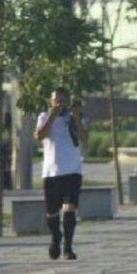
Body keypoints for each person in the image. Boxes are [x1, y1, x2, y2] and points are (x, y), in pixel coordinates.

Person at [34, 88, 88, 260]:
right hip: (51, 172)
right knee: (51, 212)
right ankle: (55, 237)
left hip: (72, 170)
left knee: (70, 208)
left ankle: (68, 247)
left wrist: (77, 116)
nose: (59, 103)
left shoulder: (75, 118)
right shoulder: (44, 117)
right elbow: (39, 136)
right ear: (50, 101)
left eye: (63, 100)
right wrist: (52, 115)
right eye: (56, 100)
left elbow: (84, 139)